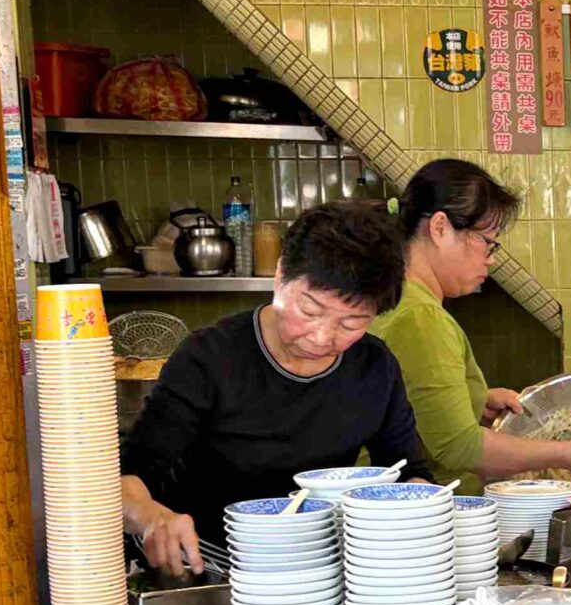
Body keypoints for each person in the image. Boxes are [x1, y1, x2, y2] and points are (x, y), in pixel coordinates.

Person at [122, 200, 430, 574]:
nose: (321, 336)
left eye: (350, 325)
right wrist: (154, 519)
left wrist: (418, 511)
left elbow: (408, 471)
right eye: (310, 311)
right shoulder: (209, 358)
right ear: (281, 273)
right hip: (209, 568)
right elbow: (128, 477)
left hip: (322, 567)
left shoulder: (374, 367)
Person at [371, 159, 571, 493]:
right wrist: (567, 453)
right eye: (488, 241)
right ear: (440, 228)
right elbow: (461, 448)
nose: (490, 258)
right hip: (423, 514)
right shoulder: (421, 316)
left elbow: (407, 403)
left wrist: (474, 399)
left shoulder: (402, 300)